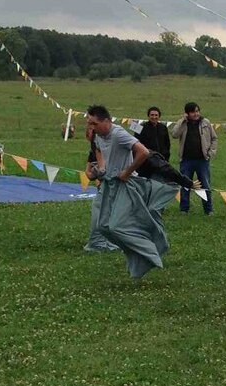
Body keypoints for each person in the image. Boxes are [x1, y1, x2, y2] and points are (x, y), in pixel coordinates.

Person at [86, 105, 177, 278]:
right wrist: (98, 171)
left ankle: (152, 251)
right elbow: (99, 154)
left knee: (116, 226)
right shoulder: (98, 136)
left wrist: (127, 172)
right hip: (108, 184)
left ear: (107, 121)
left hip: (126, 185)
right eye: (89, 123)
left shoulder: (118, 134)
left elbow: (143, 152)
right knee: (103, 227)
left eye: (95, 124)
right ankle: (137, 255)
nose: (91, 127)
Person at [170, 101, 217, 215]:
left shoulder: (206, 122)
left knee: (205, 185)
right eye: (193, 112)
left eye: (197, 111)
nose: (196, 114)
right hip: (186, 160)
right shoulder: (183, 123)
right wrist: (182, 120)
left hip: (202, 160)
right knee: (185, 185)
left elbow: (214, 138)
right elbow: (174, 134)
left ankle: (208, 210)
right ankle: (184, 209)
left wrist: (211, 152)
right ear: (187, 113)